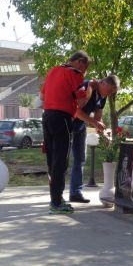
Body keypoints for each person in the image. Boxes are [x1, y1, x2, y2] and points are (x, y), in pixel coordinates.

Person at [41, 51, 92, 214]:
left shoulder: (53, 70)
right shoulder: (75, 74)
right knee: (61, 162)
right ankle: (56, 203)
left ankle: (55, 198)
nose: (84, 73)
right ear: (81, 62)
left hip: (47, 116)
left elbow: (42, 96)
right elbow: (81, 101)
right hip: (62, 117)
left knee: (52, 160)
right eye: (85, 68)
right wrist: (89, 89)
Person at [69, 75, 120, 203]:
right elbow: (76, 111)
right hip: (66, 124)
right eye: (109, 91)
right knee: (61, 160)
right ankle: (56, 196)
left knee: (80, 159)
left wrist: (103, 134)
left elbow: (98, 118)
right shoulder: (87, 87)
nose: (109, 94)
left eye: (112, 93)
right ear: (102, 83)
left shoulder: (103, 97)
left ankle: (75, 193)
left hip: (80, 126)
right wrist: (93, 122)